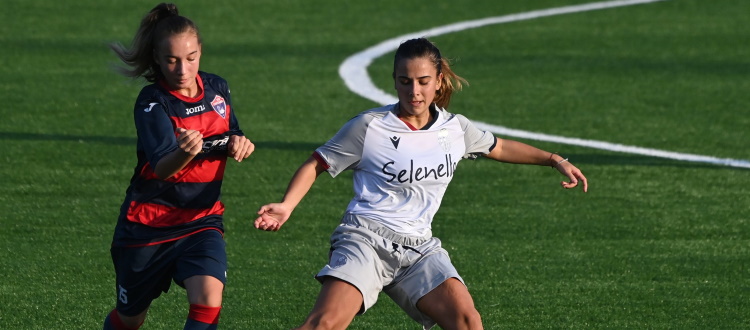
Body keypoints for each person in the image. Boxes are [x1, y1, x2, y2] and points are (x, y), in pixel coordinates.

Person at [254, 37, 588, 329]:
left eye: (423, 81)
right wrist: (286, 206)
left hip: (419, 249)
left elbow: (498, 147)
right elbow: (317, 163)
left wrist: (553, 159)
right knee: (323, 325)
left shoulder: (455, 129)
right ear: (395, 81)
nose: (414, 91)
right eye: (405, 81)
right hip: (365, 239)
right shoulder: (370, 126)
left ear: (439, 80)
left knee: (468, 322)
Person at [103, 3, 254, 330]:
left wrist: (239, 142)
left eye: (190, 58)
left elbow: (232, 132)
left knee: (208, 300)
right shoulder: (152, 102)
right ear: (157, 58)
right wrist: (187, 151)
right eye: (171, 60)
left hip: (202, 220)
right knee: (130, 320)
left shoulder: (218, 88)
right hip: (147, 226)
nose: (183, 69)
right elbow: (162, 167)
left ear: (200, 52)